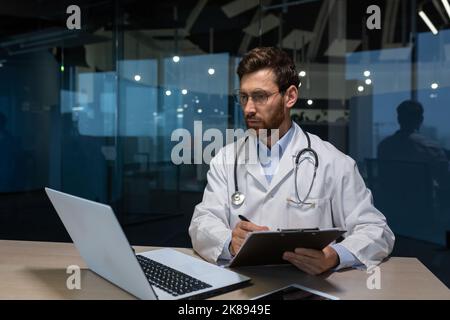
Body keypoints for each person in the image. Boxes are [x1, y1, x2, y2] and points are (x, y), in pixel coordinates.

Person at [189, 47, 394, 275]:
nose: (248, 108)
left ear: (290, 96)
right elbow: (202, 222)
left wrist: (335, 256)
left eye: (260, 96)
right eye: (244, 97)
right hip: (242, 287)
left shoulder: (334, 162)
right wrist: (229, 241)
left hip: (309, 286)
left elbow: (376, 230)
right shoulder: (226, 160)